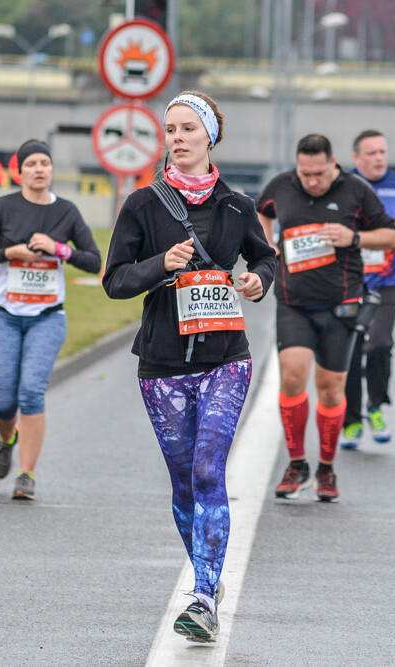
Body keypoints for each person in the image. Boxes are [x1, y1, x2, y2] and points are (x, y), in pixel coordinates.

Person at [103, 91, 276, 643]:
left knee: (207, 471)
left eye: (186, 130)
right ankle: (207, 576)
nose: (176, 139)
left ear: (209, 137)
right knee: (183, 485)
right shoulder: (143, 204)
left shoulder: (237, 206)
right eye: (169, 130)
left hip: (226, 357)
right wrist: (161, 264)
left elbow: (266, 257)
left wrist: (257, 281)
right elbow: (115, 281)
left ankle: (203, 594)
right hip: (162, 364)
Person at [257, 134, 395, 501]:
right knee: (291, 376)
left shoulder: (356, 189)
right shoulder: (281, 186)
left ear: (333, 163)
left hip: (341, 305)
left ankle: (326, 468)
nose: (313, 181)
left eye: (319, 173)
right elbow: (262, 211)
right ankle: (297, 464)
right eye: (306, 174)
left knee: (331, 387)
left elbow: (390, 236)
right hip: (294, 301)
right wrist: (266, 243)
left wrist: (354, 238)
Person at [0, 139, 101, 501]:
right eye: (32, 164)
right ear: (19, 171)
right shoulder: (2, 207)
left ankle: (26, 474)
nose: (39, 169)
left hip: (47, 318)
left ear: (52, 170)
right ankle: (8, 437)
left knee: (31, 392)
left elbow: (94, 261)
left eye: (45, 164)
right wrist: (9, 252)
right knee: (4, 400)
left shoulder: (66, 212)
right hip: (2, 317)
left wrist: (60, 249)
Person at [339, 129, 395, 449]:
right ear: (357, 157)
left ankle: (375, 405)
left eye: (383, 153)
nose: (379, 158)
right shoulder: (343, 184)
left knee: (378, 344)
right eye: (372, 153)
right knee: (349, 350)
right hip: (349, 281)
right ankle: (351, 421)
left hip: (387, 282)